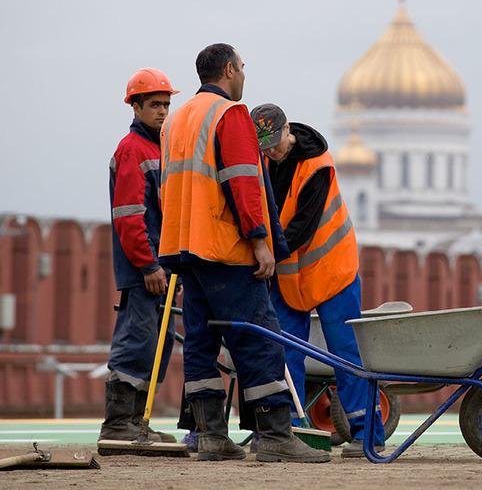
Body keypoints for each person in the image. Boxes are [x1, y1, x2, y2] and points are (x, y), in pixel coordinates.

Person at [158, 43, 329, 464]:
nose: (244, 76)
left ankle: (211, 435)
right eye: (243, 67)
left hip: (183, 246)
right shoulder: (229, 115)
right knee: (257, 336)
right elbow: (242, 182)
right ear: (230, 69)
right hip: (223, 248)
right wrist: (259, 239)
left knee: (200, 340)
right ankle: (274, 434)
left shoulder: (176, 120)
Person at [249, 103, 385, 458]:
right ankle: (293, 432)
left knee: (346, 353)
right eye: (263, 147)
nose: (271, 151)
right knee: (284, 351)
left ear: (287, 131)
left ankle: (367, 434)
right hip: (290, 274)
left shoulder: (317, 166)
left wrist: (265, 254)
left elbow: (301, 227)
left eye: (275, 143)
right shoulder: (263, 163)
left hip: (332, 269)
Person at [100, 69, 180, 446]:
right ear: (136, 106)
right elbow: (130, 215)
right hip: (144, 270)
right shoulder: (133, 149)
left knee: (157, 344)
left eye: (166, 104)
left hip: (161, 267)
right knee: (137, 340)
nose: (162, 111)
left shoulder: (160, 148)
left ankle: (138, 423)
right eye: (154, 105)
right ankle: (119, 424)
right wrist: (147, 264)